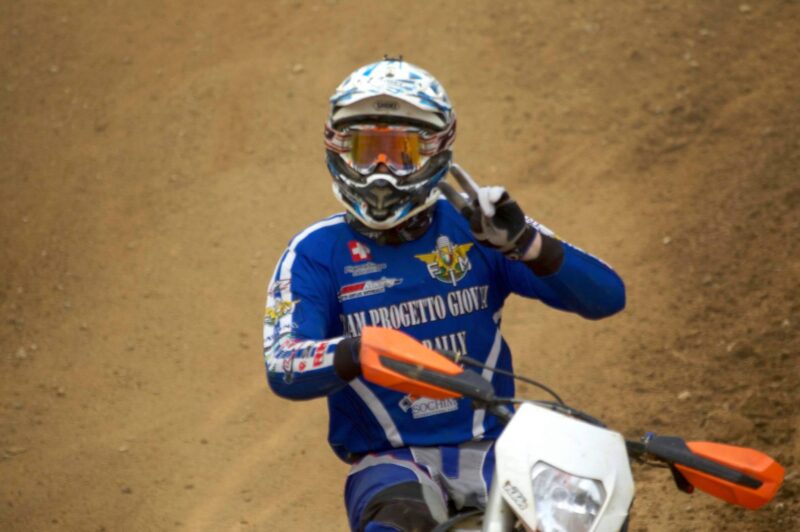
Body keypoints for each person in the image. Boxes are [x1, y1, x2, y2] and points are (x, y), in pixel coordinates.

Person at [263, 57, 625, 531]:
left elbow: (607, 296)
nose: (381, 170)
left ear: (438, 151)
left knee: (589, 514)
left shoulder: (481, 227)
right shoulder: (315, 252)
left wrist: (527, 244)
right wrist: (358, 350)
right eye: (367, 150)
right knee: (398, 521)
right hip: (391, 460)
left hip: (499, 450)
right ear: (338, 149)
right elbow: (283, 364)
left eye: (403, 152)